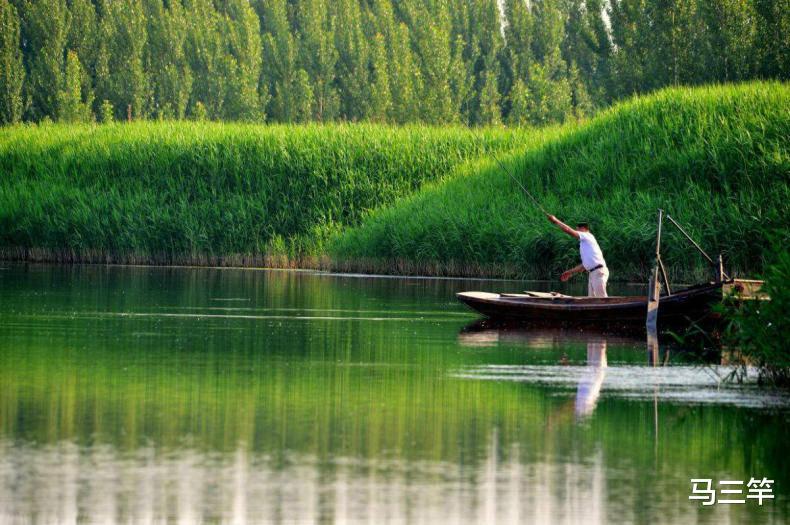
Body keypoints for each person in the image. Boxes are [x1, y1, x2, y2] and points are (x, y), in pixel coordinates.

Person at [546, 215, 609, 297]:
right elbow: (584, 266)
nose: (577, 231)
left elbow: (568, 230)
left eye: (578, 229)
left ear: (584, 229)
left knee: (601, 300)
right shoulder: (585, 244)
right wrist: (570, 272)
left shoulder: (587, 235)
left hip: (598, 272)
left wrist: (556, 221)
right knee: (592, 301)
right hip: (593, 273)